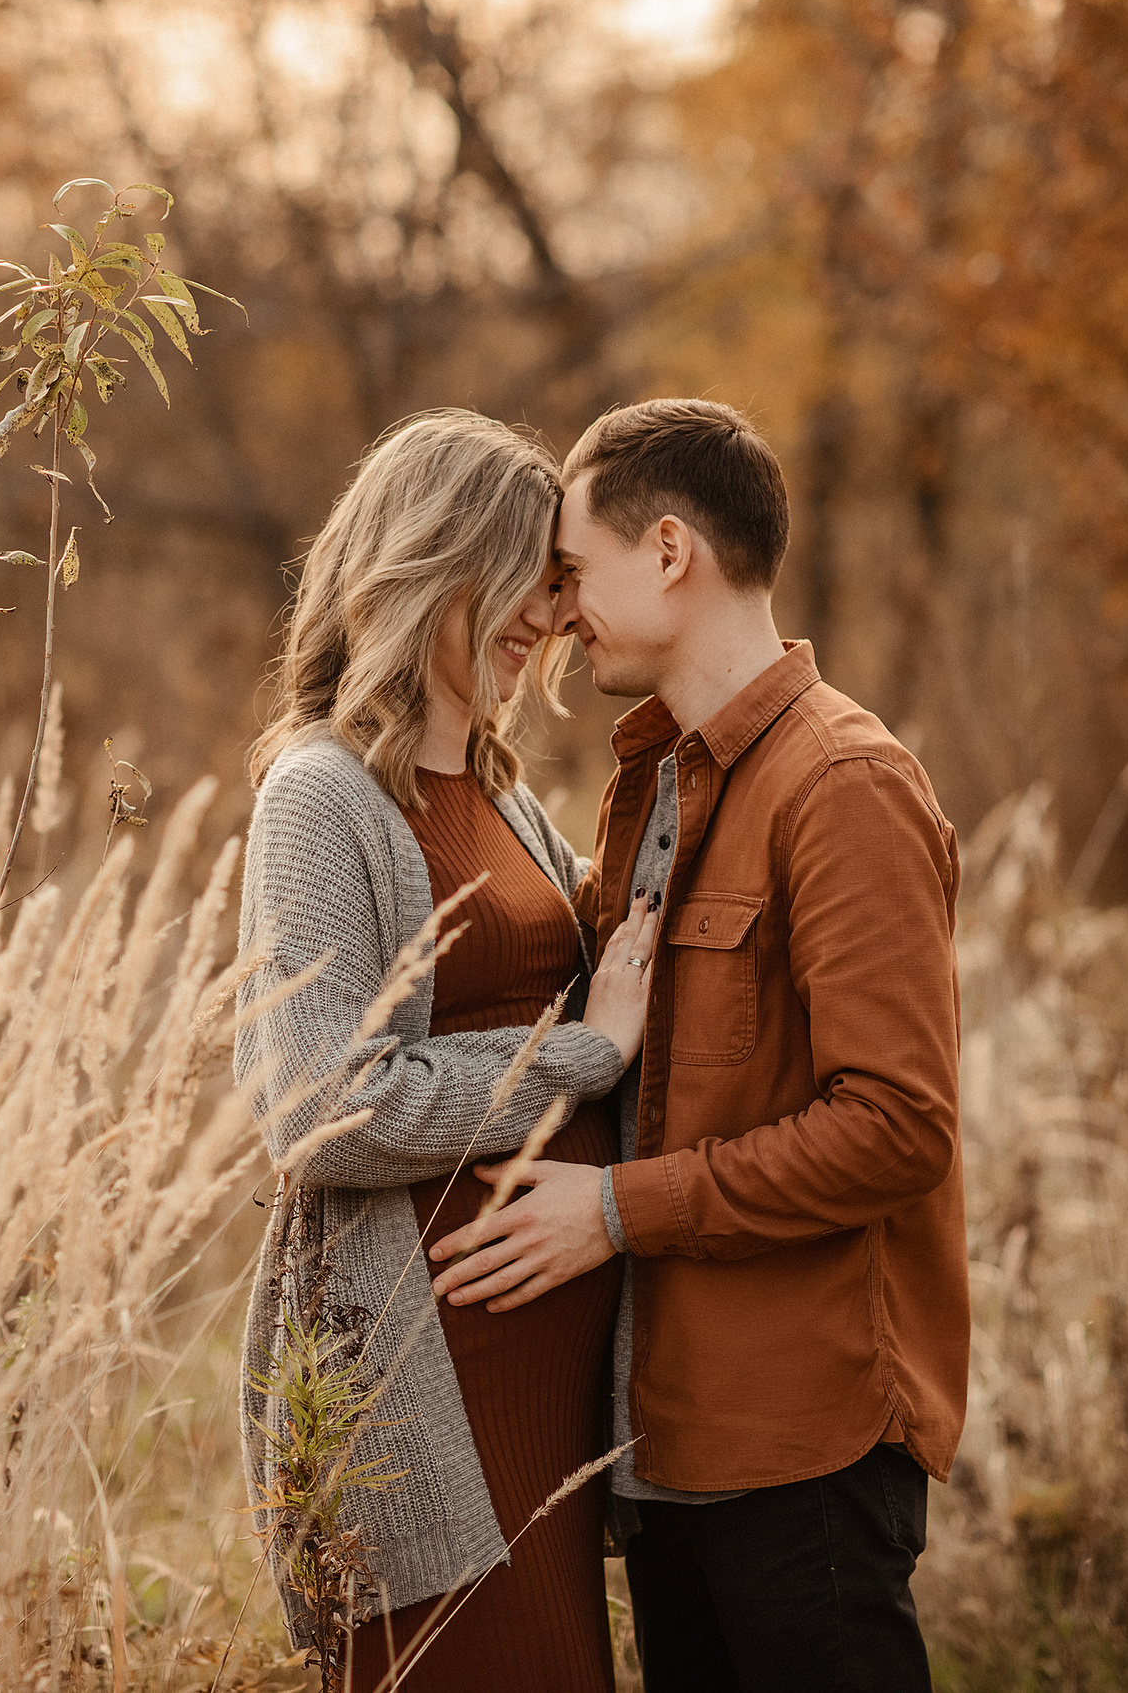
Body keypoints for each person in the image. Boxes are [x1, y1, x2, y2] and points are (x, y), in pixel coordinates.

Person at [426, 399, 969, 1692]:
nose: (558, 611)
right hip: (664, 1437)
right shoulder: (653, 783)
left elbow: (897, 1122)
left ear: (670, 549)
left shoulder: (843, 784)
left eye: (573, 569)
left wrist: (616, 1208)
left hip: (804, 1437)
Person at [235, 409, 661, 1690]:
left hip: (543, 1374)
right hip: (425, 1386)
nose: (544, 610)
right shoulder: (322, 795)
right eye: (519, 569)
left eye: (555, 577)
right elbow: (323, 1110)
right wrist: (579, 1058)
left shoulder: (508, 793)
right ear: (427, 558)